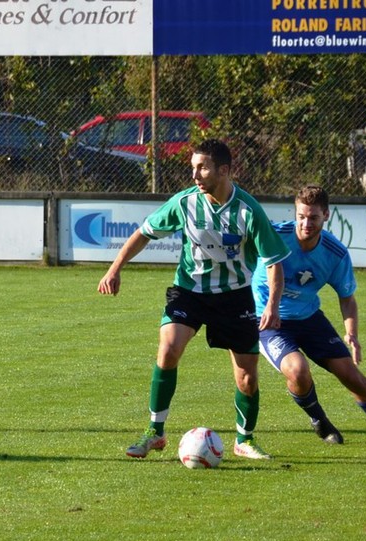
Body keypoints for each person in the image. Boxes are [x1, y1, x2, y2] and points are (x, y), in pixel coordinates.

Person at [98, 139, 291, 460]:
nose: (195, 175)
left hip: (234, 297)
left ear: (224, 170)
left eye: (202, 168)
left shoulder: (248, 210)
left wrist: (271, 304)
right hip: (189, 291)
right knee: (168, 349)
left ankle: (244, 440)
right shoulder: (185, 202)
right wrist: (115, 269)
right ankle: (155, 432)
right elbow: (144, 232)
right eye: (193, 168)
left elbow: (273, 263)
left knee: (246, 376)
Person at [252, 184, 366, 445]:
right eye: (301, 216)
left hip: (309, 319)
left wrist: (352, 333)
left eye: (313, 217)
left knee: (351, 375)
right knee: (298, 371)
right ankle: (320, 421)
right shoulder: (273, 236)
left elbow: (347, 298)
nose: (305, 223)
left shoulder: (335, 254)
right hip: (270, 320)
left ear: (326, 215)